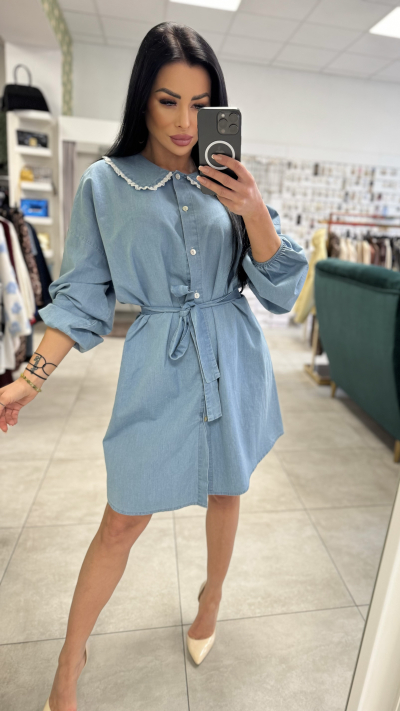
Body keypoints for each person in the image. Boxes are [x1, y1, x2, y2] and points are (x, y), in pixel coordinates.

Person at [0, 22, 308, 711]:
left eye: (201, 104)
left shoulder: (230, 179)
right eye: (169, 101)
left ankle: (212, 596)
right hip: (158, 365)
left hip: (232, 353)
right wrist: (28, 379)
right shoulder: (105, 185)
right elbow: (82, 295)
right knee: (121, 519)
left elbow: (280, 290)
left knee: (227, 488)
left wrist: (253, 210)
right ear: (143, 98)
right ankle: (70, 660)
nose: (184, 121)